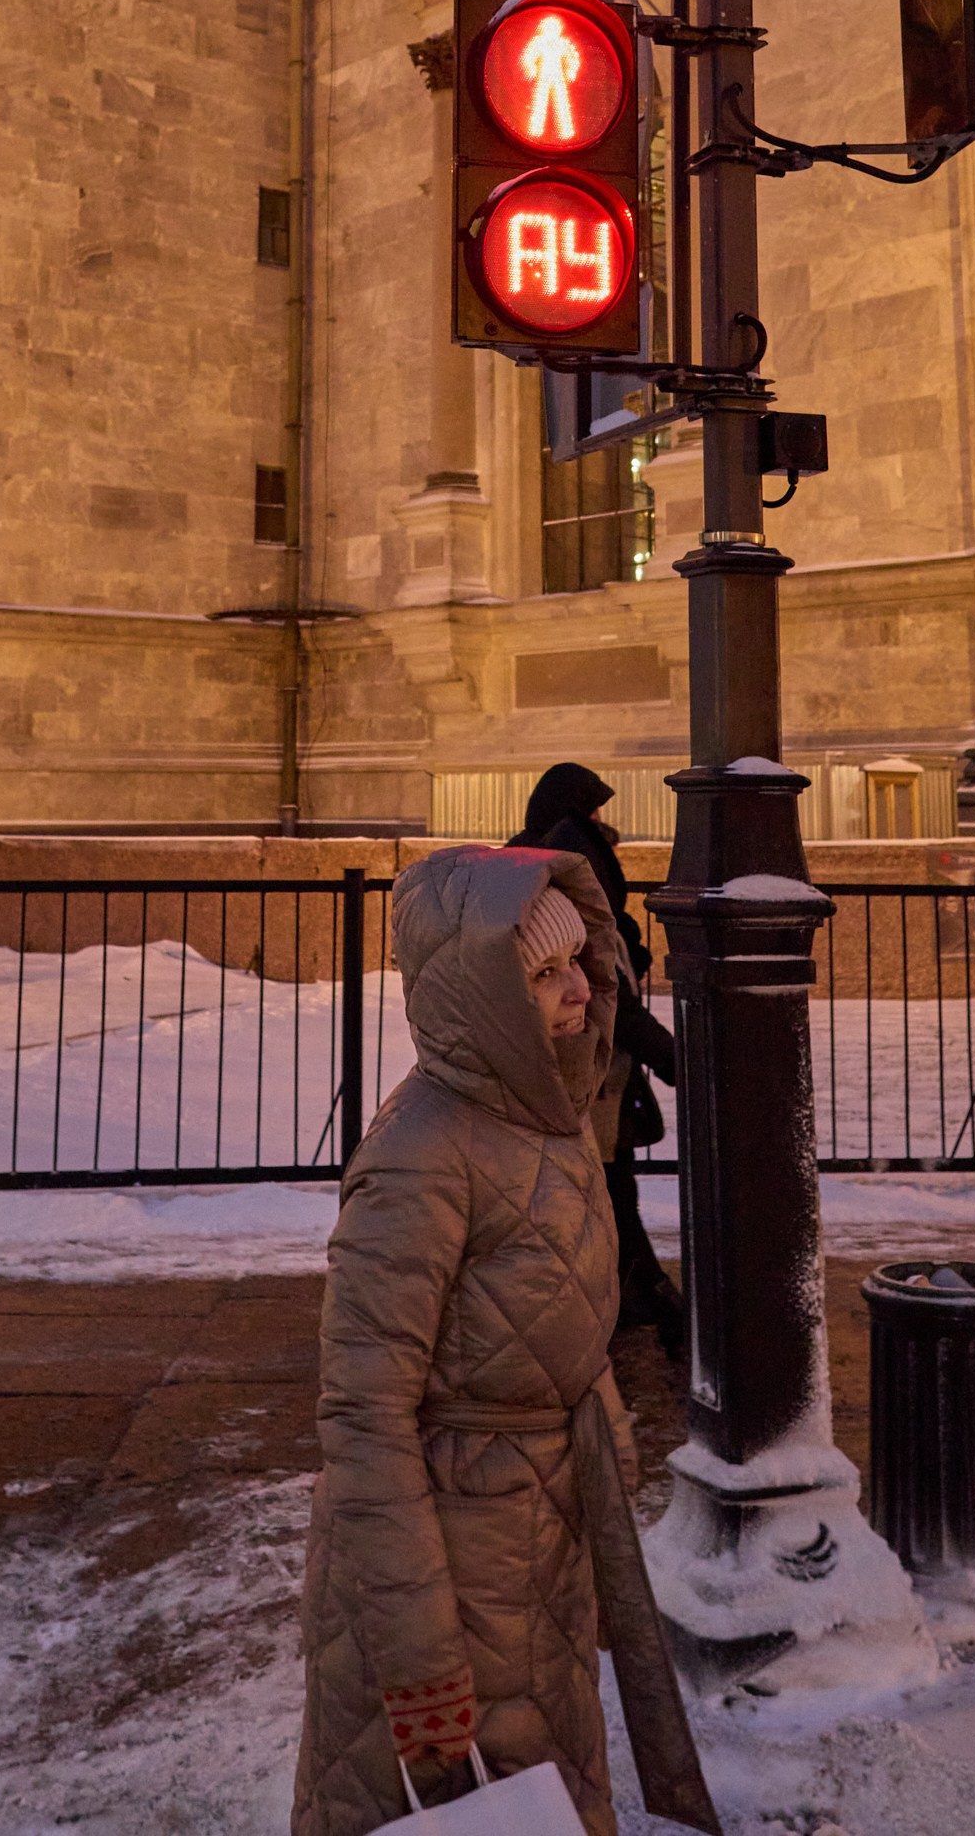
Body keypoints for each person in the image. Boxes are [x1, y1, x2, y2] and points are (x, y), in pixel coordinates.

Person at [293, 846, 718, 1836]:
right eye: (540, 973)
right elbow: (363, 1416)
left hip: (534, 1542)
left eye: (579, 962)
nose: (578, 990)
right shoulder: (419, 1154)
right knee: (472, 1805)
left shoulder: (549, 1118)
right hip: (449, 1565)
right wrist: (419, 1659)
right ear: (478, 994)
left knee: (542, 1797)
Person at [522, 762, 684, 1349]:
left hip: (593, 1075)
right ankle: (642, 1293)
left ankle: (636, 1291)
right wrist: (674, 1059)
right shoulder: (570, 917)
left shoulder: (565, 902)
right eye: (594, 818)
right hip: (584, 1074)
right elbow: (605, 1001)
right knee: (605, 1188)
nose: (603, 829)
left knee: (610, 1187)